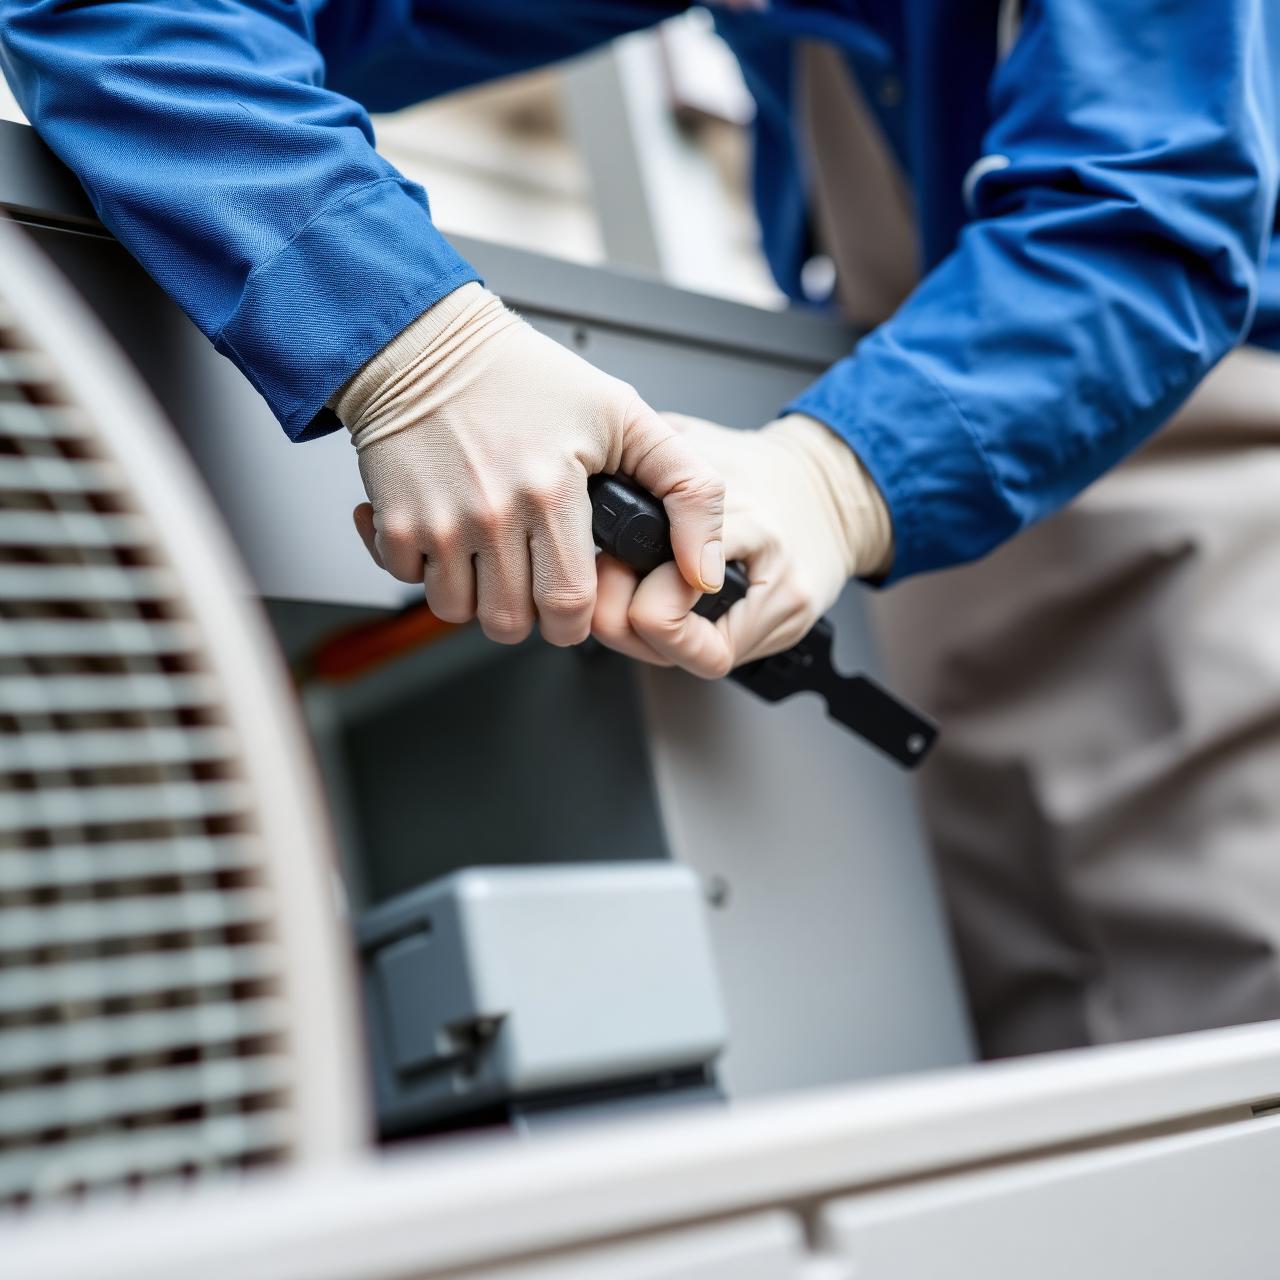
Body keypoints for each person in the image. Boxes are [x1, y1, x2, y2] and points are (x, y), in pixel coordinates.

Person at [3, 0, 1278, 1057]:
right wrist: (404, 334)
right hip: (942, 516)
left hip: (1185, 476)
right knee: (1033, 1059)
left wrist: (843, 477)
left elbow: (1149, 216)